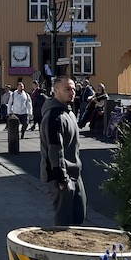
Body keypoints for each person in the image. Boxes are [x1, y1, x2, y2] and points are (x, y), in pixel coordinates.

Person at [39, 76, 86, 226]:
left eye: (73, 89)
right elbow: (54, 148)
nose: (72, 92)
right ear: (56, 91)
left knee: (78, 217)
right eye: (67, 89)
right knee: (63, 223)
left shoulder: (69, 112)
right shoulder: (54, 116)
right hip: (61, 178)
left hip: (75, 174)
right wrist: (61, 178)